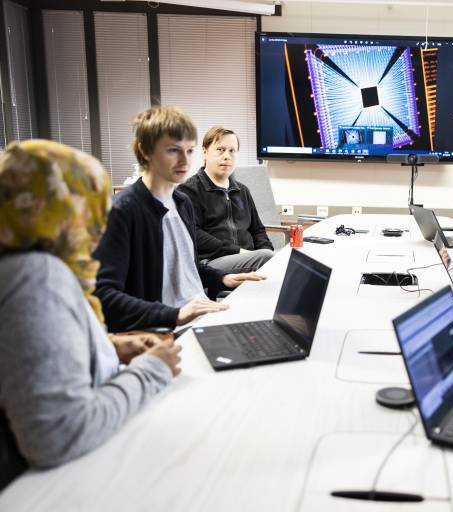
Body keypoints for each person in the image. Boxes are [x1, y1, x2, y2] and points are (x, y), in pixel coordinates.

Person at [0, 140, 181, 490]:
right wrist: (152, 370)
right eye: (90, 208)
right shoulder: (36, 276)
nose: (100, 228)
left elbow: (22, 352)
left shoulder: (18, 262)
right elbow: (60, 434)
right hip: (47, 489)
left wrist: (108, 346)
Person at [94, 106, 266, 333]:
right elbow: (103, 298)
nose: (185, 160)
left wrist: (222, 278)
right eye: (173, 150)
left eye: (189, 150)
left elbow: (186, 268)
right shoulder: (123, 210)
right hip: (162, 330)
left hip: (201, 317)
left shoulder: (181, 202)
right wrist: (174, 315)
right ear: (145, 151)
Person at [179, 126, 274, 273]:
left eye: (232, 151)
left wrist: (268, 252)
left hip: (250, 257)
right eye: (220, 150)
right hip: (211, 264)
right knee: (268, 259)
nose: (227, 156)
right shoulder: (189, 190)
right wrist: (238, 251)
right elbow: (195, 235)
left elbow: (258, 230)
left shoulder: (242, 190)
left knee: (282, 258)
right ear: (205, 152)